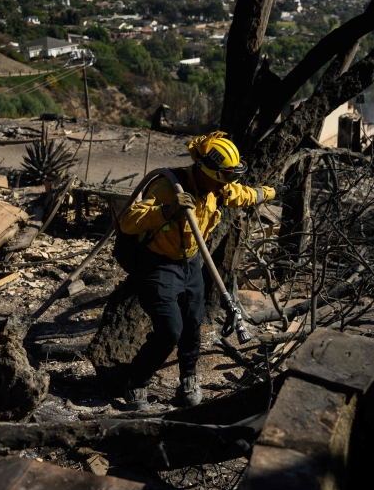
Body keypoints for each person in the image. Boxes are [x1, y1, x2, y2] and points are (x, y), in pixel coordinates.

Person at [119, 131, 283, 411]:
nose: (226, 186)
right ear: (205, 170)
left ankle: (188, 380)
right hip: (159, 266)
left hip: (190, 264)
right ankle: (137, 382)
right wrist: (167, 210)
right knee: (170, 330)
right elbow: (128, 222)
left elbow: (244, 195)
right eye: (223, 179)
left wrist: (271, 192)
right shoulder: (168, 187)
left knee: (193, 325)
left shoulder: (217, 187)